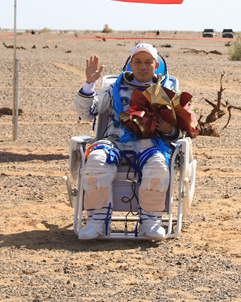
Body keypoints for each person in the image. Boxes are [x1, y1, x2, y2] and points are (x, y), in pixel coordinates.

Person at [74, 43, 184, 239]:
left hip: (149, 143)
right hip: (115, 141)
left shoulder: (166, 91)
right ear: (130, 65)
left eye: (148, 62)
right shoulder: (114, 89)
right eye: (138, 62)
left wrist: (169, 129)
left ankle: (151, 222)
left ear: (156, 65)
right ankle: (96, 221)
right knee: (97, 160)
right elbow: (87, 113)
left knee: (157, 165)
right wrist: (89, 83)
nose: (143, 66)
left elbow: (181, 131)